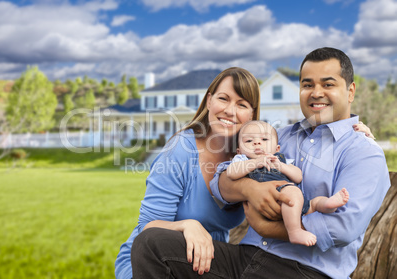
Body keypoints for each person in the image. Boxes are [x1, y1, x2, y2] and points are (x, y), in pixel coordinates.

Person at [131, 47, 390, 279]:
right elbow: (220, 183)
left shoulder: (363, 152)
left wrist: (267, 226)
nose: (316, 93)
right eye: (307, 84)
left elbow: (342, 229)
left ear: (351, 91)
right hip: (244, 258)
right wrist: (249, 189)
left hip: (303, 271)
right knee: (152, 244)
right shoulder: (279, 136)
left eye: (328, 84)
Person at [115, 67, 279, 278]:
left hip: (206, 262)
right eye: (223, 98)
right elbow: (147, 227)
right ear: (209, 100)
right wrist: (187, 225)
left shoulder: (249, 156)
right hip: (152, 261)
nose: (230, 110)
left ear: (251, 114)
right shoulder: (180, 150)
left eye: (242, 104)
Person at [227, 120, 349, 246]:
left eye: (264, 139)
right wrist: (255, 163)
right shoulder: (242, 160)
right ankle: (294, 231)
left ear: (276, 149)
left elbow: (298, 176)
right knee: (293, 191)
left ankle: (328, 204)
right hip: (275, 199)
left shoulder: (279, 160)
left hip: (293, 202)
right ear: (239, 151)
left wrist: (281, 166)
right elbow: (231, 172)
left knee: (314, 203)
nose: (257, 143)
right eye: (248, 141)